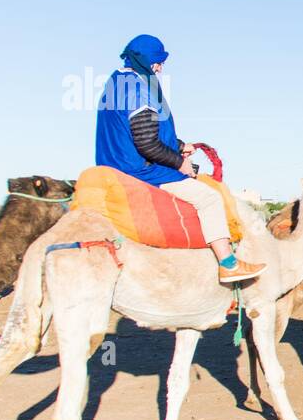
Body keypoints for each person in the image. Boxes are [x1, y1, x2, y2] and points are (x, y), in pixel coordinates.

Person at [95, 34, 263, 283]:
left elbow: (143, 131)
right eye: (157, 61)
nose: (160, 67)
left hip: (115, 163)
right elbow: (146, 143)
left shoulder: (117, 82)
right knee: (210, 199)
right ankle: (228, 263)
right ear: (145, 60)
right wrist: (179, 163)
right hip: (139, 170)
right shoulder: (138, 89)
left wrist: (180, 145)